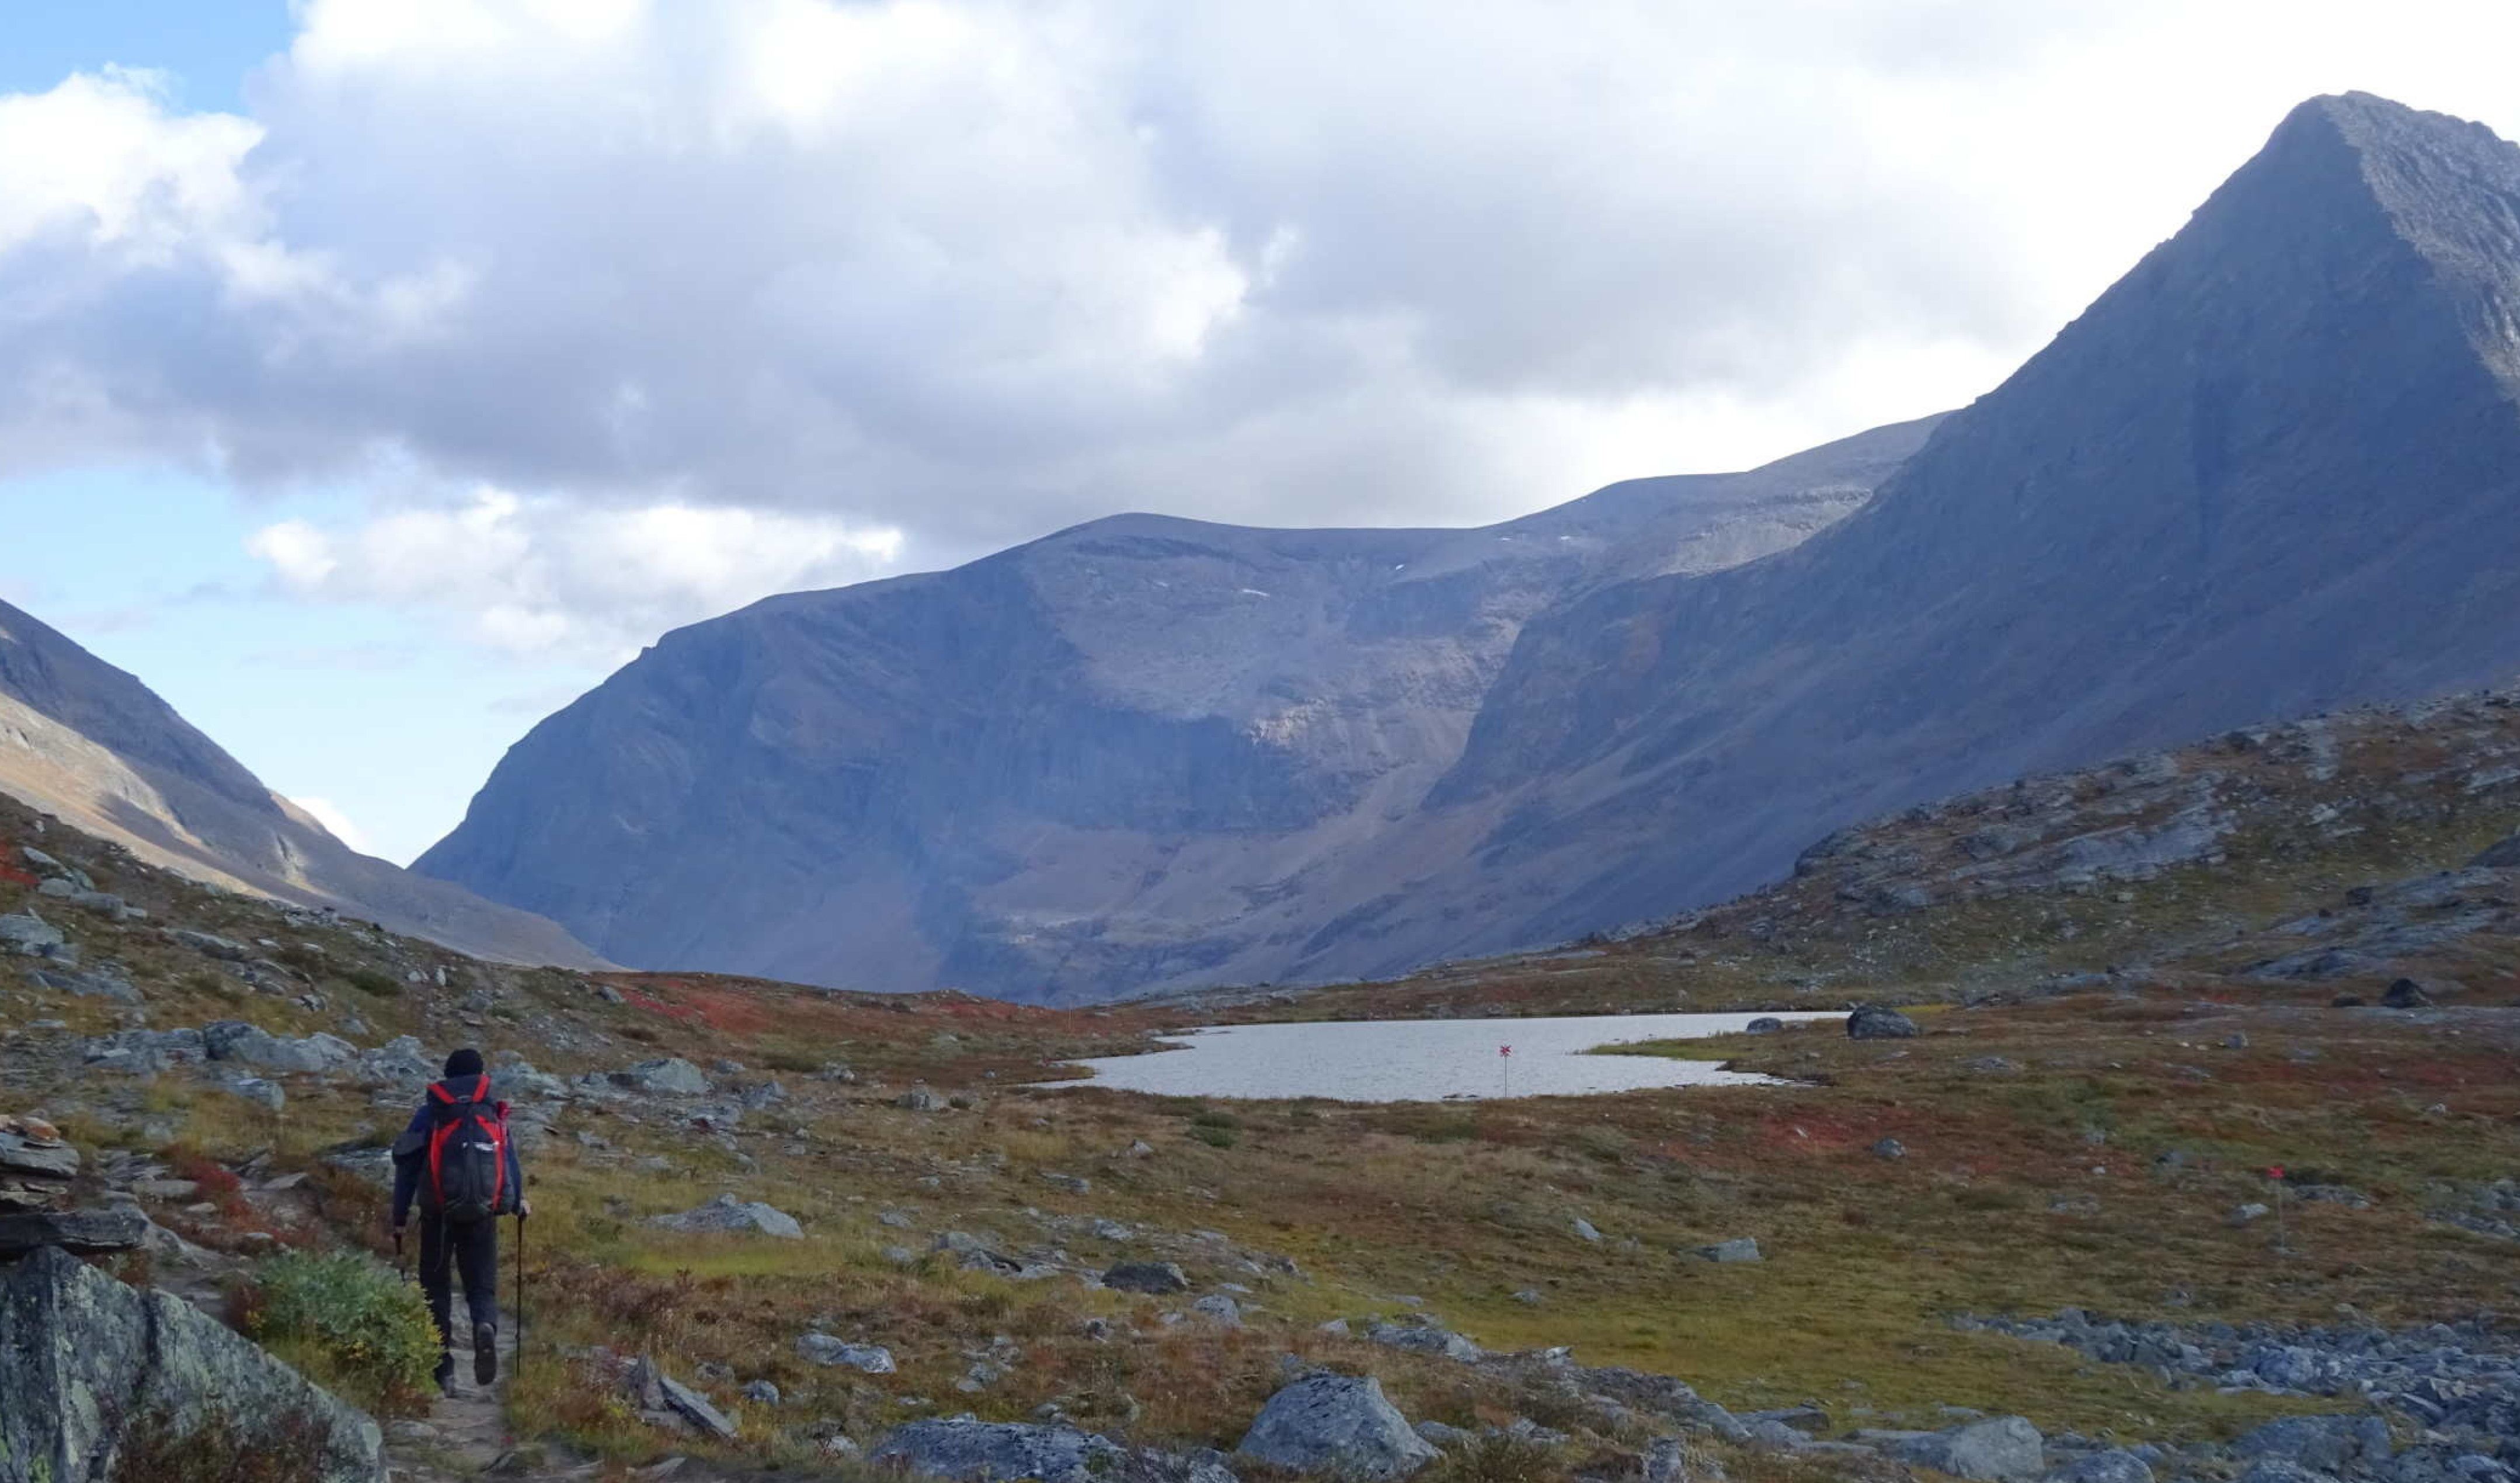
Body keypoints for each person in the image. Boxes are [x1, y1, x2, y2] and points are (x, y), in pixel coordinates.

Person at [390, 1047, 528, 1394]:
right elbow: (508, 1161)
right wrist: (517, 1203)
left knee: (435, 1290)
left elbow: (407, 1167)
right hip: (481, 1212)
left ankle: (443, 1371)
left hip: (437, 1214)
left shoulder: (431, 1112)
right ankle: (485, 1324)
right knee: (481, 1286)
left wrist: (399, 1217)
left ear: (448, 1075)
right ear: (481, 1075)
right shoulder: (492, 1112)